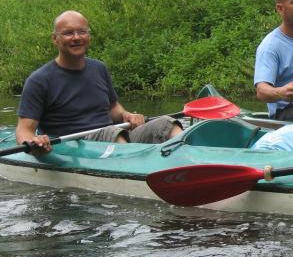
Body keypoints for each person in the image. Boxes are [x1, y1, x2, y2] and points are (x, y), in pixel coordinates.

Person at [16, 11, 182, 152]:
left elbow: (112, 107)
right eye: (68, 33)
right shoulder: (39, 80)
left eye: (82, 32)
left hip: (115, 137)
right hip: (74, 146)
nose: (76, 38)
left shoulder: (99, 68)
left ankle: (188, 162)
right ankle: (133, 168)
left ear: (88, 36)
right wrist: (34, 143)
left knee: (166, 123)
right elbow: (24, 130)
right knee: (111, 133)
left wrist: (126, 115)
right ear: (55, 39)